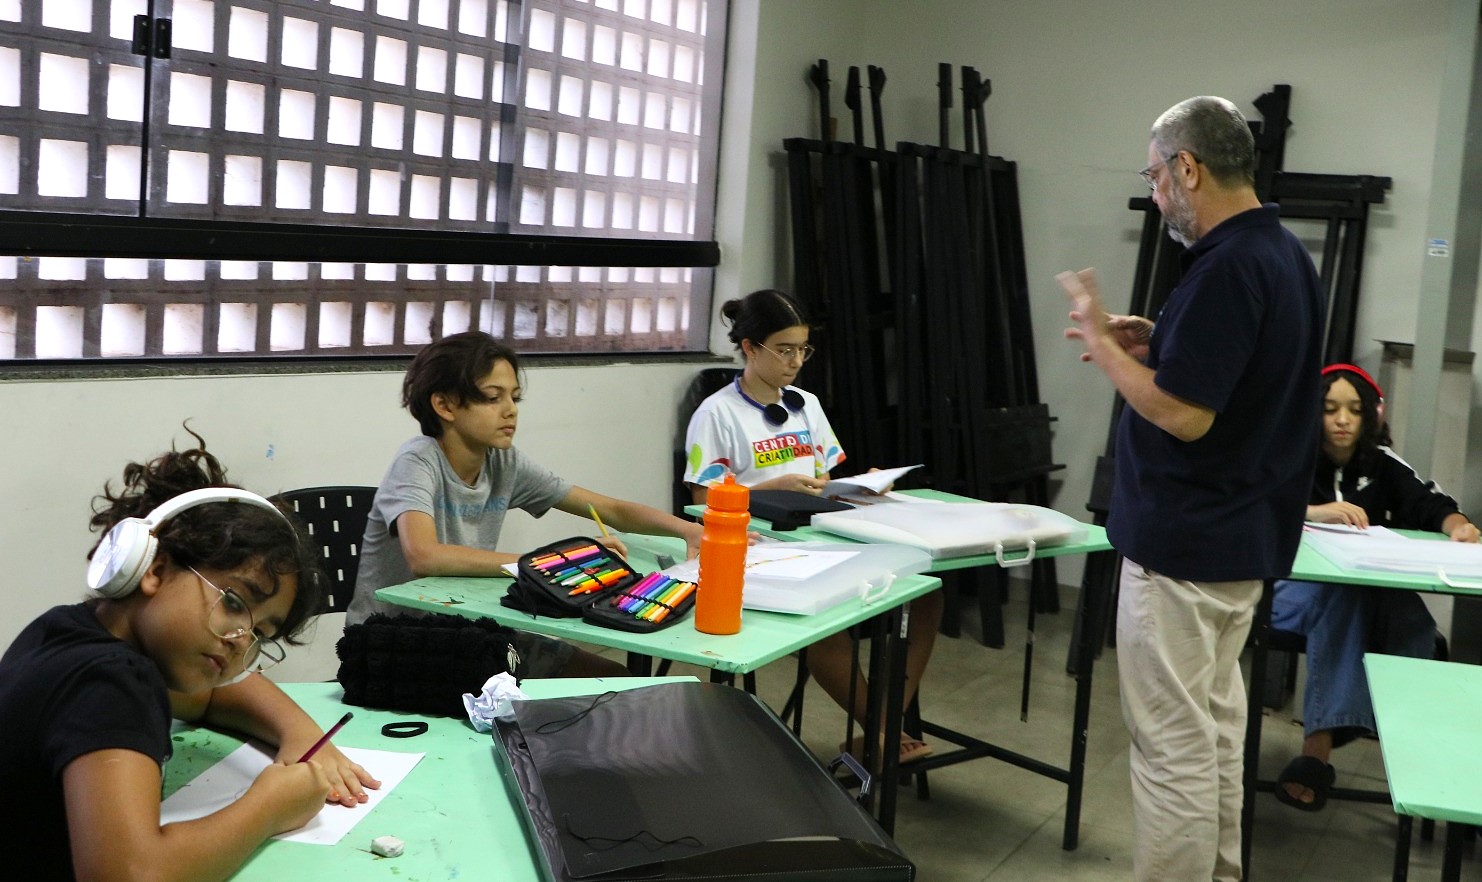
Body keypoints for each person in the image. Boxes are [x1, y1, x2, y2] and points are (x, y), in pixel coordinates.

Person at [1059, 96, 1323, 881]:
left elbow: (1183, 414)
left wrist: (1106, 348)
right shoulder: (1280, 253)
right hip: (1238, 542)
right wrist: (1162, 338)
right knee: (1211, 734)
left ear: (1188, 167)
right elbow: (1237, 371)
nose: (1154, 195)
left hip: (1183, 549)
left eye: (1155, 176)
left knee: (1171, 750)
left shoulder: (1226, 266)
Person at [0, 433, 381, 882]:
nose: (240, 640)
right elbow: (129, 874)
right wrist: (268, 808)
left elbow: (210, 696)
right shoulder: (112, 682)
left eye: (260, 634)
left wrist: (299, 734)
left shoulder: (67, 631)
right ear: (156, 568)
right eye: (234, 603)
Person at [683, 288, 944, 763]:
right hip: (760, 546)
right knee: (824, 622)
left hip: (823, 535)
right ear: (750, 348)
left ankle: (883, 726)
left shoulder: (806, 404)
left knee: (926, 594)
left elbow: (824, 484)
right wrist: (772, 487)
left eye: (803, 349)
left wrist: (862, 486)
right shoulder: (717, 414)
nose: (796, 361)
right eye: (784, 350)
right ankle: (882, 729)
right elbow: (702, 504)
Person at [347, 330, 704, 677]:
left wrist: (688, 529)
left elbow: (610, 510)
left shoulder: (503, 462)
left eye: (514, 398)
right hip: (390, 643)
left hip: (464, 631)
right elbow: (424, 556)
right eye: (493, 398)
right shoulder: (417, 460)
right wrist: (542, 564)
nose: (510, 411)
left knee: (615, 677)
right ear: (444, 405)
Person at [1271, 363, 1478, 811]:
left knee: (1403, 615)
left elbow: (1430, 503)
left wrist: (1458, 526)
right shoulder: (1290, 455)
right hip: (1286, 596)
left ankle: (1416, 760)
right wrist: (1315, 512)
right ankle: (1341, 751)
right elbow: (1258, 504)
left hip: (1355, 603)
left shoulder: (1384, 465)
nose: (1342, 420)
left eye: (1354, 410)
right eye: (1330, 409)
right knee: (1351, 598)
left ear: (1370, 416)